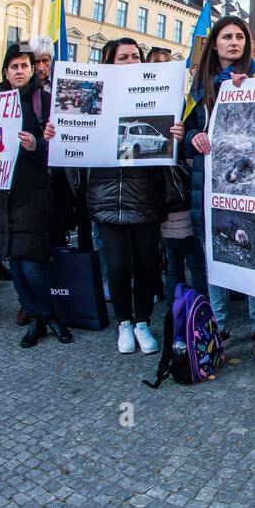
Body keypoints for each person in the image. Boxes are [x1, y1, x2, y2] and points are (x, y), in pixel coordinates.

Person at [185, 17, 255, 365]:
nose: (234, 42)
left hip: (250, 184)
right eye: (227, 36)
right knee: (217, 255)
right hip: (209, 185)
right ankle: (219, 327)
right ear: (215, 43)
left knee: (253, 254)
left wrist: (250, 92)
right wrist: (194, 138)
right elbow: (187, 134)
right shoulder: (199, 86)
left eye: (240, 36)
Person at [87, 38, 181, 356]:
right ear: (109, 62)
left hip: (145, 193)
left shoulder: (155, 93)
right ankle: (124, 323)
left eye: (135, 57)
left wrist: (176, 135)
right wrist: (56, 135)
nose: (130, 61)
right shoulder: (96, 95)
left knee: (145, 263)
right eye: (123, 57)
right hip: (106, 194)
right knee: (117, 264)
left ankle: (142, 322)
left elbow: (169, 145)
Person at [0, 44, 74, 347]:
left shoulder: (47, 101)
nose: (20, 71)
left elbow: (65, 149)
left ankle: (48, 316)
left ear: (33, 68)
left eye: (24, 65)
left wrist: (37, 145)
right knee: (15, 259)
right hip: (3, 192)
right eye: (13, 66)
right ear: (6, 72)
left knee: (28, 261)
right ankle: (37, 318)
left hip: (35, 193)